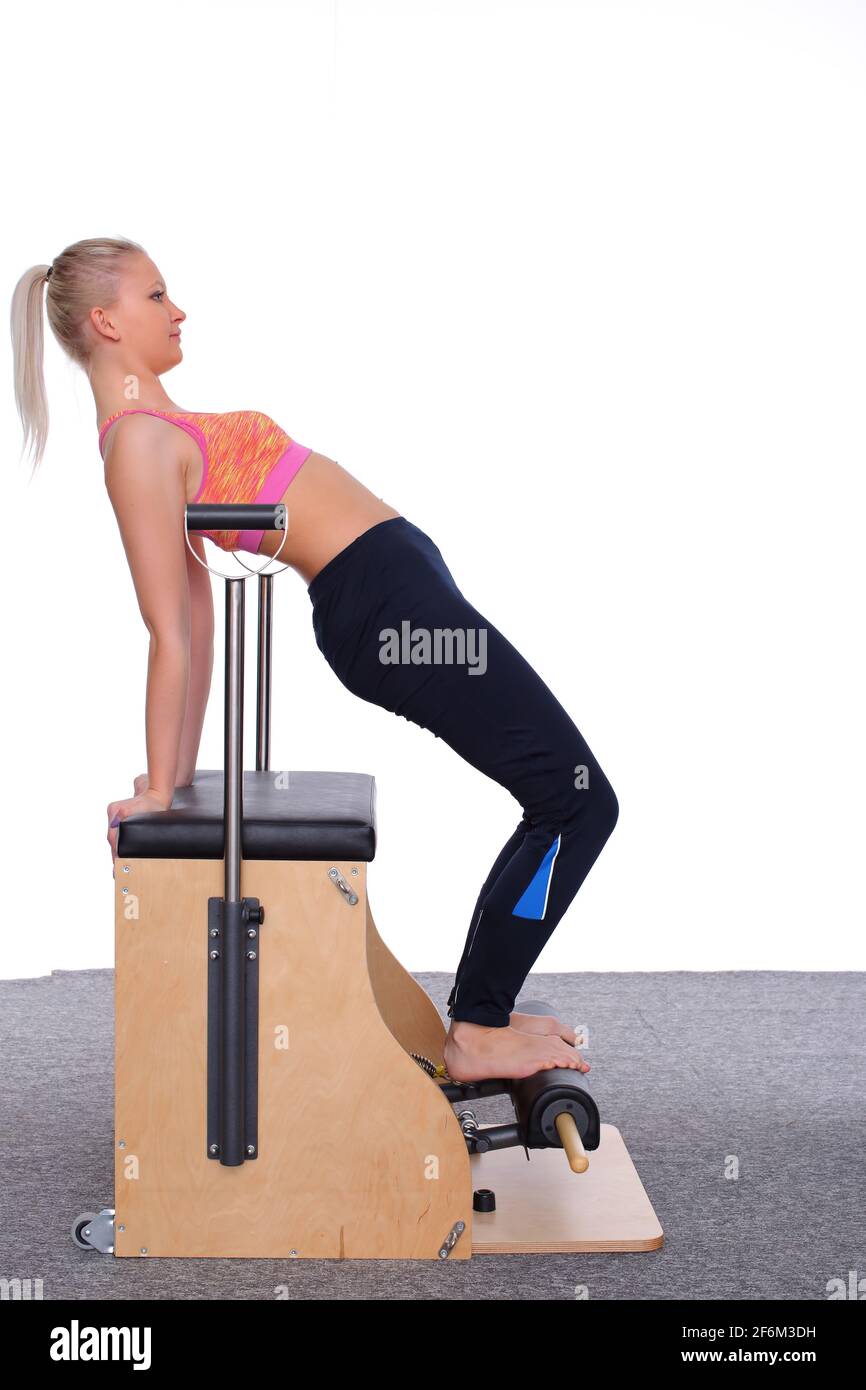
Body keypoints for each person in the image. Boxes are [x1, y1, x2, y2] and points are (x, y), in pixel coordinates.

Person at [10, 237, 619, 1084]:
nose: (177, 310)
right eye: (156, 297)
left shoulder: (160, 430)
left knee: (566, 795)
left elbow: (199, 619)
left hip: (399, 592)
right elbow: (171, 627)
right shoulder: (138, 447)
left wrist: (174, 781)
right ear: (107, 321)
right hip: (390, 609)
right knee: (577, 799)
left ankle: (483, 1009)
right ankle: (477, 1025)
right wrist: (158, 792)